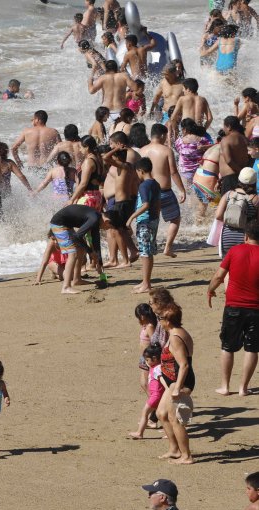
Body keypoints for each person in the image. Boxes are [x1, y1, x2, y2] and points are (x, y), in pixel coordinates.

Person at [208, 219, 259, 396]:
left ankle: (225, 386)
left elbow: (218, 276)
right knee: (252, 348)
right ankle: (243, 388)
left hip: (234, 307)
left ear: (246, 236)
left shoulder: (235, 250)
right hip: (256, 309)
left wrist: (210, 290)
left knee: (227, 346)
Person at [156, 305, 197, 464]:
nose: (159, 321)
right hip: (173, 381)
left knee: (175, 419)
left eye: (160, 318)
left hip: (179, 382)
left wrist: (178, 388)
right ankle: (174, 449)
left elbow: (184, 365)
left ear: (168, 321)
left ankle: (186, 456)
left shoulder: (175, 338)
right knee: (161, 414)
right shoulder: (177, 332)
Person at [140, 124, 187, 257]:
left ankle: (148, 247)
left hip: (146, 191)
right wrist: (182, 190)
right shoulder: (166, 150)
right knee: (175, 219)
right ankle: (167, 248)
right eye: (166, 136)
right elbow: (173, 172)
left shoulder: (141, 150)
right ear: (162, 135)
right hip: (163, 191)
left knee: (148, 221)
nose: (166, 138)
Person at [49, 204, 104, 294]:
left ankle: (77, 279)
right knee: (73, 253)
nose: (106, 229)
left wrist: (99, 261)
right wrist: (90, 252)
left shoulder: (97, 219)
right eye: (108, 228)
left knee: (81, 249)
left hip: (67, 224)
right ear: (108, 221)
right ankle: (66, 287)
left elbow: (96, 240)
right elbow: (77, 236)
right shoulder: (94, 219)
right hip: (58, 224)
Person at [127, 158, 161, 293]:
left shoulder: (144, 185)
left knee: (145, 253)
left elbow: (145, 204)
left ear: (140, 171)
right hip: (153, 220)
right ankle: (145, 281)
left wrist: (131, 217)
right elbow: (158, 203)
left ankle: (146, 284)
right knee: (148, 251)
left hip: (145, 221)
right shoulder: (156, 183)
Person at [130, 343, 165, 440]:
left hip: (155, 395)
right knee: (161, 414)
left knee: (145, 413)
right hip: (157, 395)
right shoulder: (156, 366)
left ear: (154, 359)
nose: (146, 362)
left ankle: (139, 433)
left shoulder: (157, 368)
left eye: (147, 360)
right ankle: (168, 432)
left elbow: (161, 379)